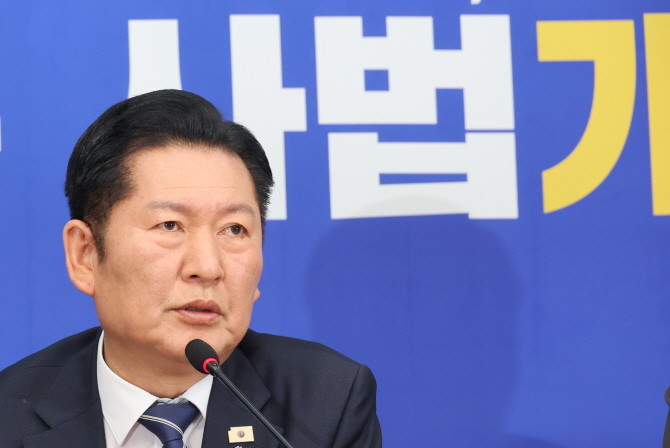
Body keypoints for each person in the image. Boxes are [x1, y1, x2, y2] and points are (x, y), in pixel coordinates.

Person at [0, 89, 382, 447]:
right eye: (170, 225)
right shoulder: (8, 416)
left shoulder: (327, 401)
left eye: (234, 229)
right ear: (85, 254)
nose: (208, 267)